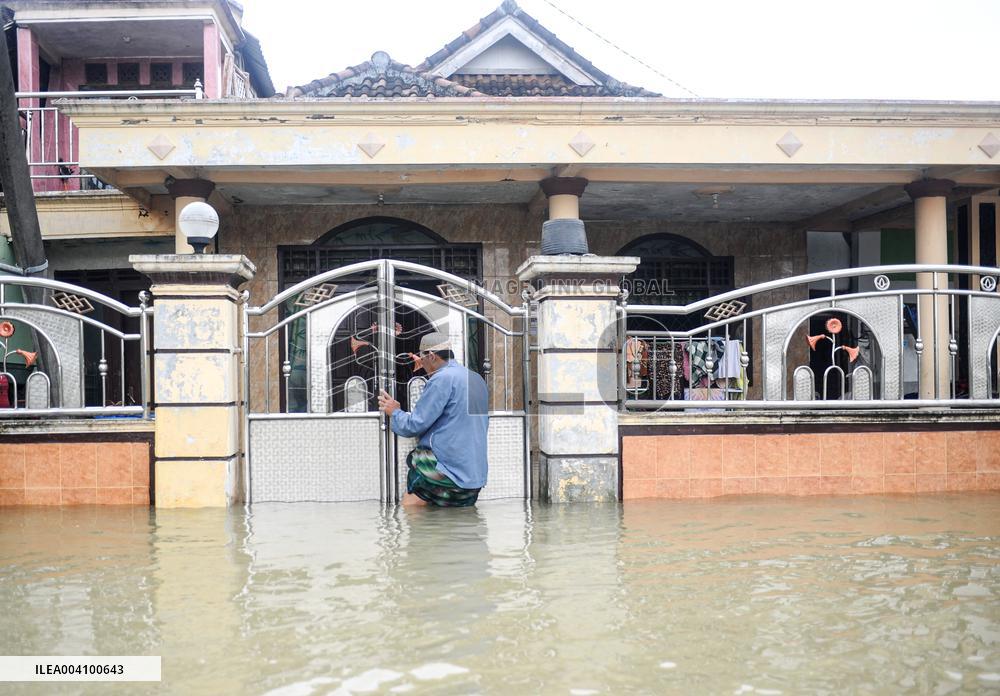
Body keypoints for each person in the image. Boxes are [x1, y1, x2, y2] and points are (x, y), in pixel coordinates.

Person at [377, 332, 489, 507]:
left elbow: (414, 425)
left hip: (450, 473)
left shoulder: (442, 379)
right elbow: (456, 417)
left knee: (410, 500)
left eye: (422, 358)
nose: (420, 363)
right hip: (475, 477)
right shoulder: (476, 379)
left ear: (431, 355)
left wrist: (395, 411)